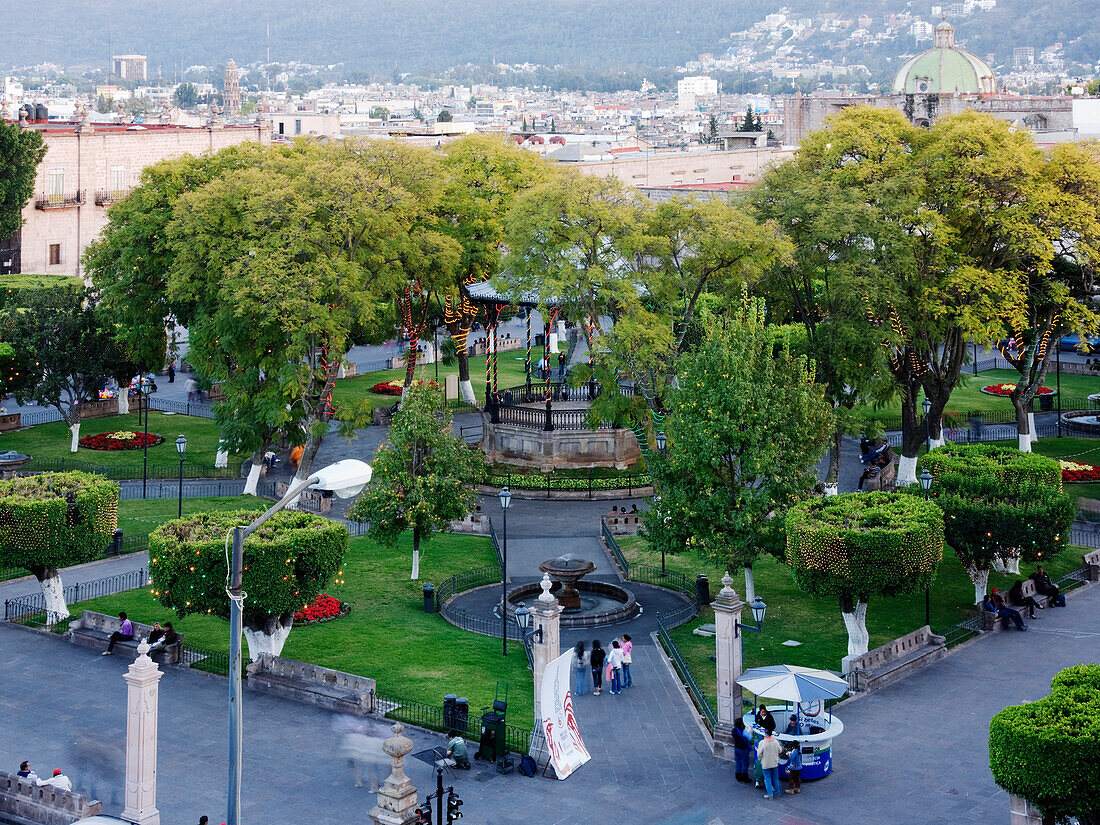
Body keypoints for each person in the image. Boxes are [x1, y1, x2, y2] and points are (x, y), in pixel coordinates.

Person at [756, 730, 781, 799]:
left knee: (767, 778)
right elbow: (780, 750)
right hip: (774, 762)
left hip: (766, 763)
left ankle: (770, 794)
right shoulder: (775, 742)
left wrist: (760, 759)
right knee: (775, 778)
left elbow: (759, 754)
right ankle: (777, 792)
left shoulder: (762, 743)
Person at [732, 719, 753, 783]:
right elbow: (749, 738)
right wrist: (750, 732)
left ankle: (738, 776)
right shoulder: (743, 731)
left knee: (738, 762)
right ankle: (744, 777)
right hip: (743, 749)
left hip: (736, 748)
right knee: (745, 763)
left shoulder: (734, 730)